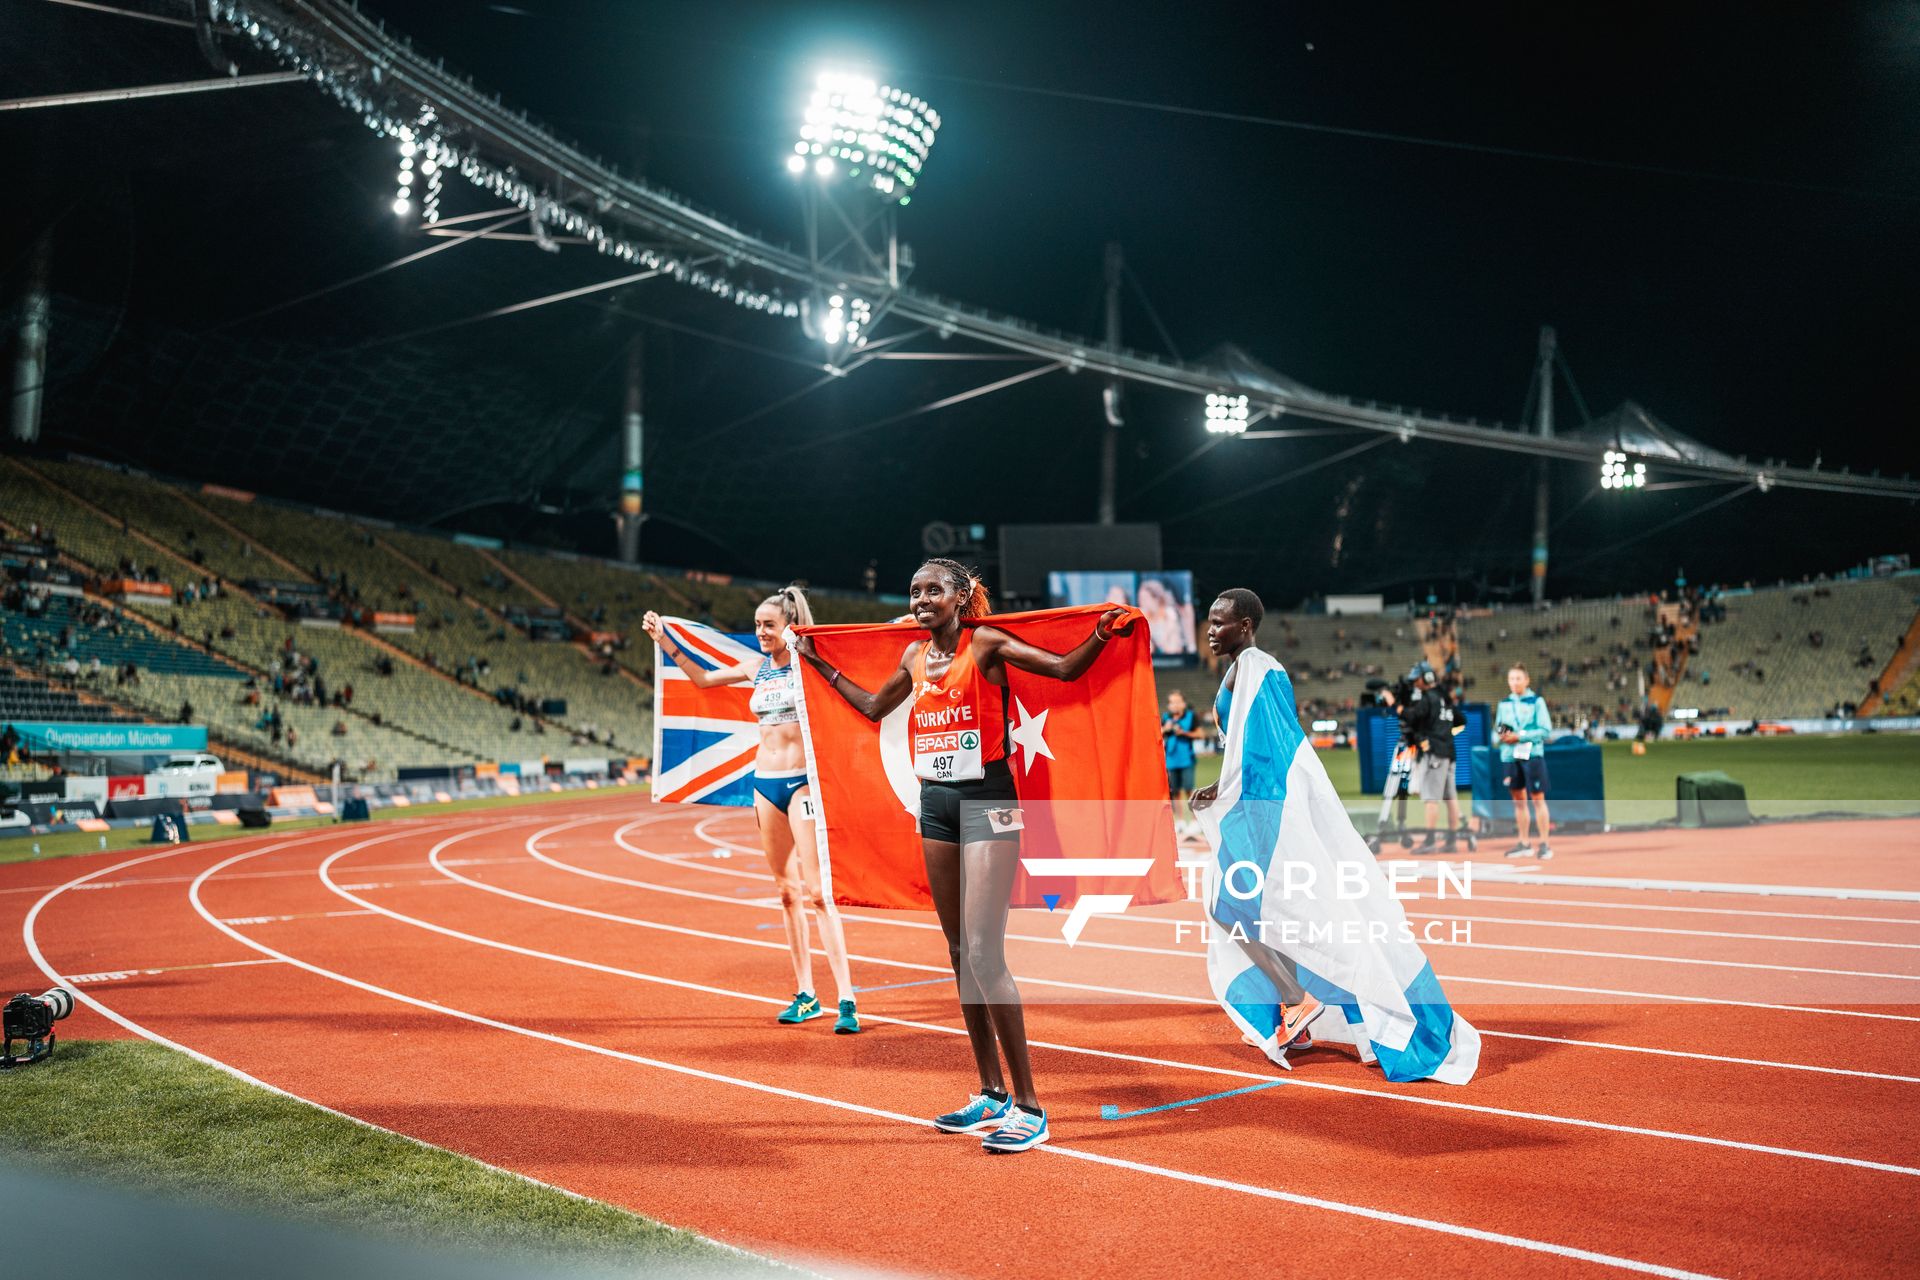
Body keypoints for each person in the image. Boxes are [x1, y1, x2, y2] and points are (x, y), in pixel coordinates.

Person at [795, 558, 1132, 1155]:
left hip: (990, 802)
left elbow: (1061, 670)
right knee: (957, 953)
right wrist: (819, 663)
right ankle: (991, 1092)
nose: (921, 599)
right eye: (914, 591)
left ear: (959, 597)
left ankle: (1031, 1107)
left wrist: (1101, 634)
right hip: (936, 805)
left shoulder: (989, 643)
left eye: (933, 590)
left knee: (983, 949)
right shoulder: (913, 659)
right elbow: (873, 709)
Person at [643, 587, 860, 1035]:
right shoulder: (754, 668)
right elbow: (702, 680)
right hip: (764, 786)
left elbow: (862, 664)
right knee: (786, 893)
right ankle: (806, 995)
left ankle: (847, 999)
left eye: (768, 625)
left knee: (818, 893)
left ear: (789, 626)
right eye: (757, 624)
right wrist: (664, 641)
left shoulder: (810, 667)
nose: (759, 631)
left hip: (803, 784)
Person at [1190, 589, 1323, 1049]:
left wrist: (1232, 791)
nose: (1210, 630)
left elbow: (1270, 749)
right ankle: (1295, 1018)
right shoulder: (1247, 669)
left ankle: (1294, 998)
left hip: (1262, 807)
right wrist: (1220, 784)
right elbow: (1245, 746)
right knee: (1260, 910)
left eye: (1219, 621)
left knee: (1228, 907)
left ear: (1245, 625)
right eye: (1209, 621)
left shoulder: (1254, 666)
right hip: (1257, 802)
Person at [1405, 666, 1474, 854]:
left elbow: (1411, 718)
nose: (1415, 683)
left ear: (1426, 678)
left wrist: (1399, 707)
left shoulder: (1428, 699)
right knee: (1450, 797)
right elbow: (1461, 720)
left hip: (1435, 753)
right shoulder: (1445, 697)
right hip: (1450, 752)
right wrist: (1446, 731)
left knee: (1431, 798)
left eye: (1417, 679)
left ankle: (1430, 841)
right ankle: (1451, 841)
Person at [1495, 663, 1554, 859]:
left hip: (1532, 754)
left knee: (1537, 798)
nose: (1514, 683)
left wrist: (1519, 736)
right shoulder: (1504, 703)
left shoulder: (1537, 701)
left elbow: (1545, 730)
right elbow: (1498, 727)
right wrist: (1504, 735)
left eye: (1518, 678)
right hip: (1510, 756)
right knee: (1518, 801)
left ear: (1526, 680)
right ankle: (1524, 842)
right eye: (1511, 679)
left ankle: (1544, 843)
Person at [1161, 690, 1201, 830]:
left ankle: (1196, 822)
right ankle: (1181, 821)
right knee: (1175, 792)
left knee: (1189, 790)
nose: (1175, 705)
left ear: (1183, 703)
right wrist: (1165, 729)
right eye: (1172, 702)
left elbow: (1200, 734)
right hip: (1171, 761)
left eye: (1178, 701)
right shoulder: (1166, 718)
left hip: (1186, 760)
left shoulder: (1191, 716)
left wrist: (1184, 733)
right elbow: (1156, 734)